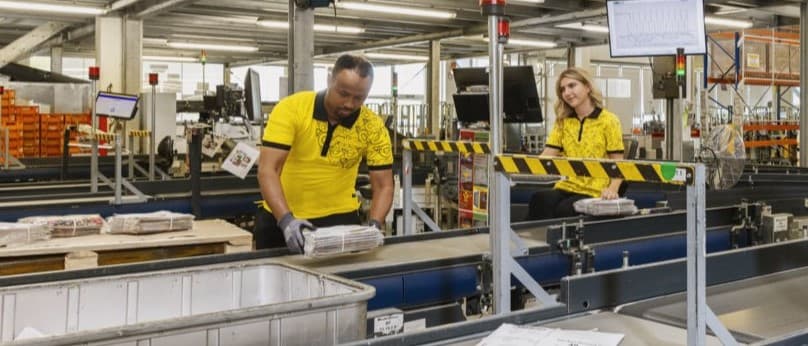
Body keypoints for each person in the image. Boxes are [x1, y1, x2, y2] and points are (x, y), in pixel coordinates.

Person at [255, 54, 394, 253]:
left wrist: (374, 226)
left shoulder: (372, 126)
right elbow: (268, 169)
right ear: (330, 79)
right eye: (343, 93)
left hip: (340, 223)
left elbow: (384, 185)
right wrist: (286, 221)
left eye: (359, 98)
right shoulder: (292, 109)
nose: (349, 104)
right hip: (281, 220)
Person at [526, 67, 625, 220]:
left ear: (587, 87)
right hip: (568, 186)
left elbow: (618, 162)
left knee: (566, 209)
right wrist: (517, 168)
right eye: (563, 89)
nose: (567, 92)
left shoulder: (609, 120)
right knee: (539, 200)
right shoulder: (563, 122)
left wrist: (612, 189)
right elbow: (546, 155)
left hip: (595, 189)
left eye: (572, 86)